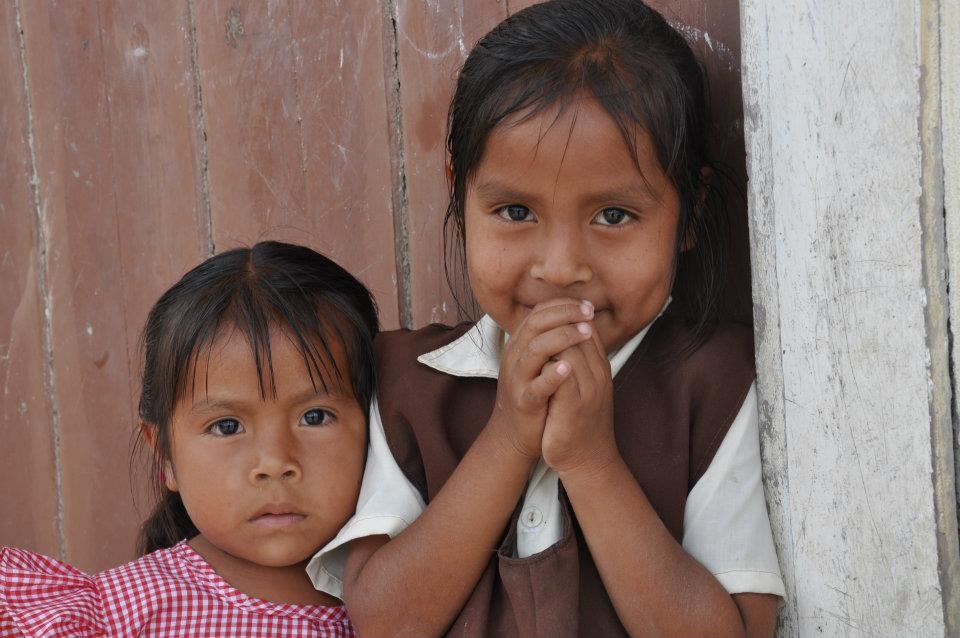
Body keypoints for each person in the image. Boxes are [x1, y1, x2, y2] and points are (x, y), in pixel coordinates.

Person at [308, 1, 785, 636]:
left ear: (689, 215)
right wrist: (508, 438)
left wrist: (590, 461)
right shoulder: (409, 383)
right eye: (514, 211)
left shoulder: (717, 386)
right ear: (461, 195)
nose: (560, 268)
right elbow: (387, 622)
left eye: (614, 216)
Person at [0, 241, 378, 637]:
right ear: (165, 454)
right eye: (227, 426)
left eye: (314, 417)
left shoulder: (412, 597)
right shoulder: (117, 616)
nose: (274, 462)